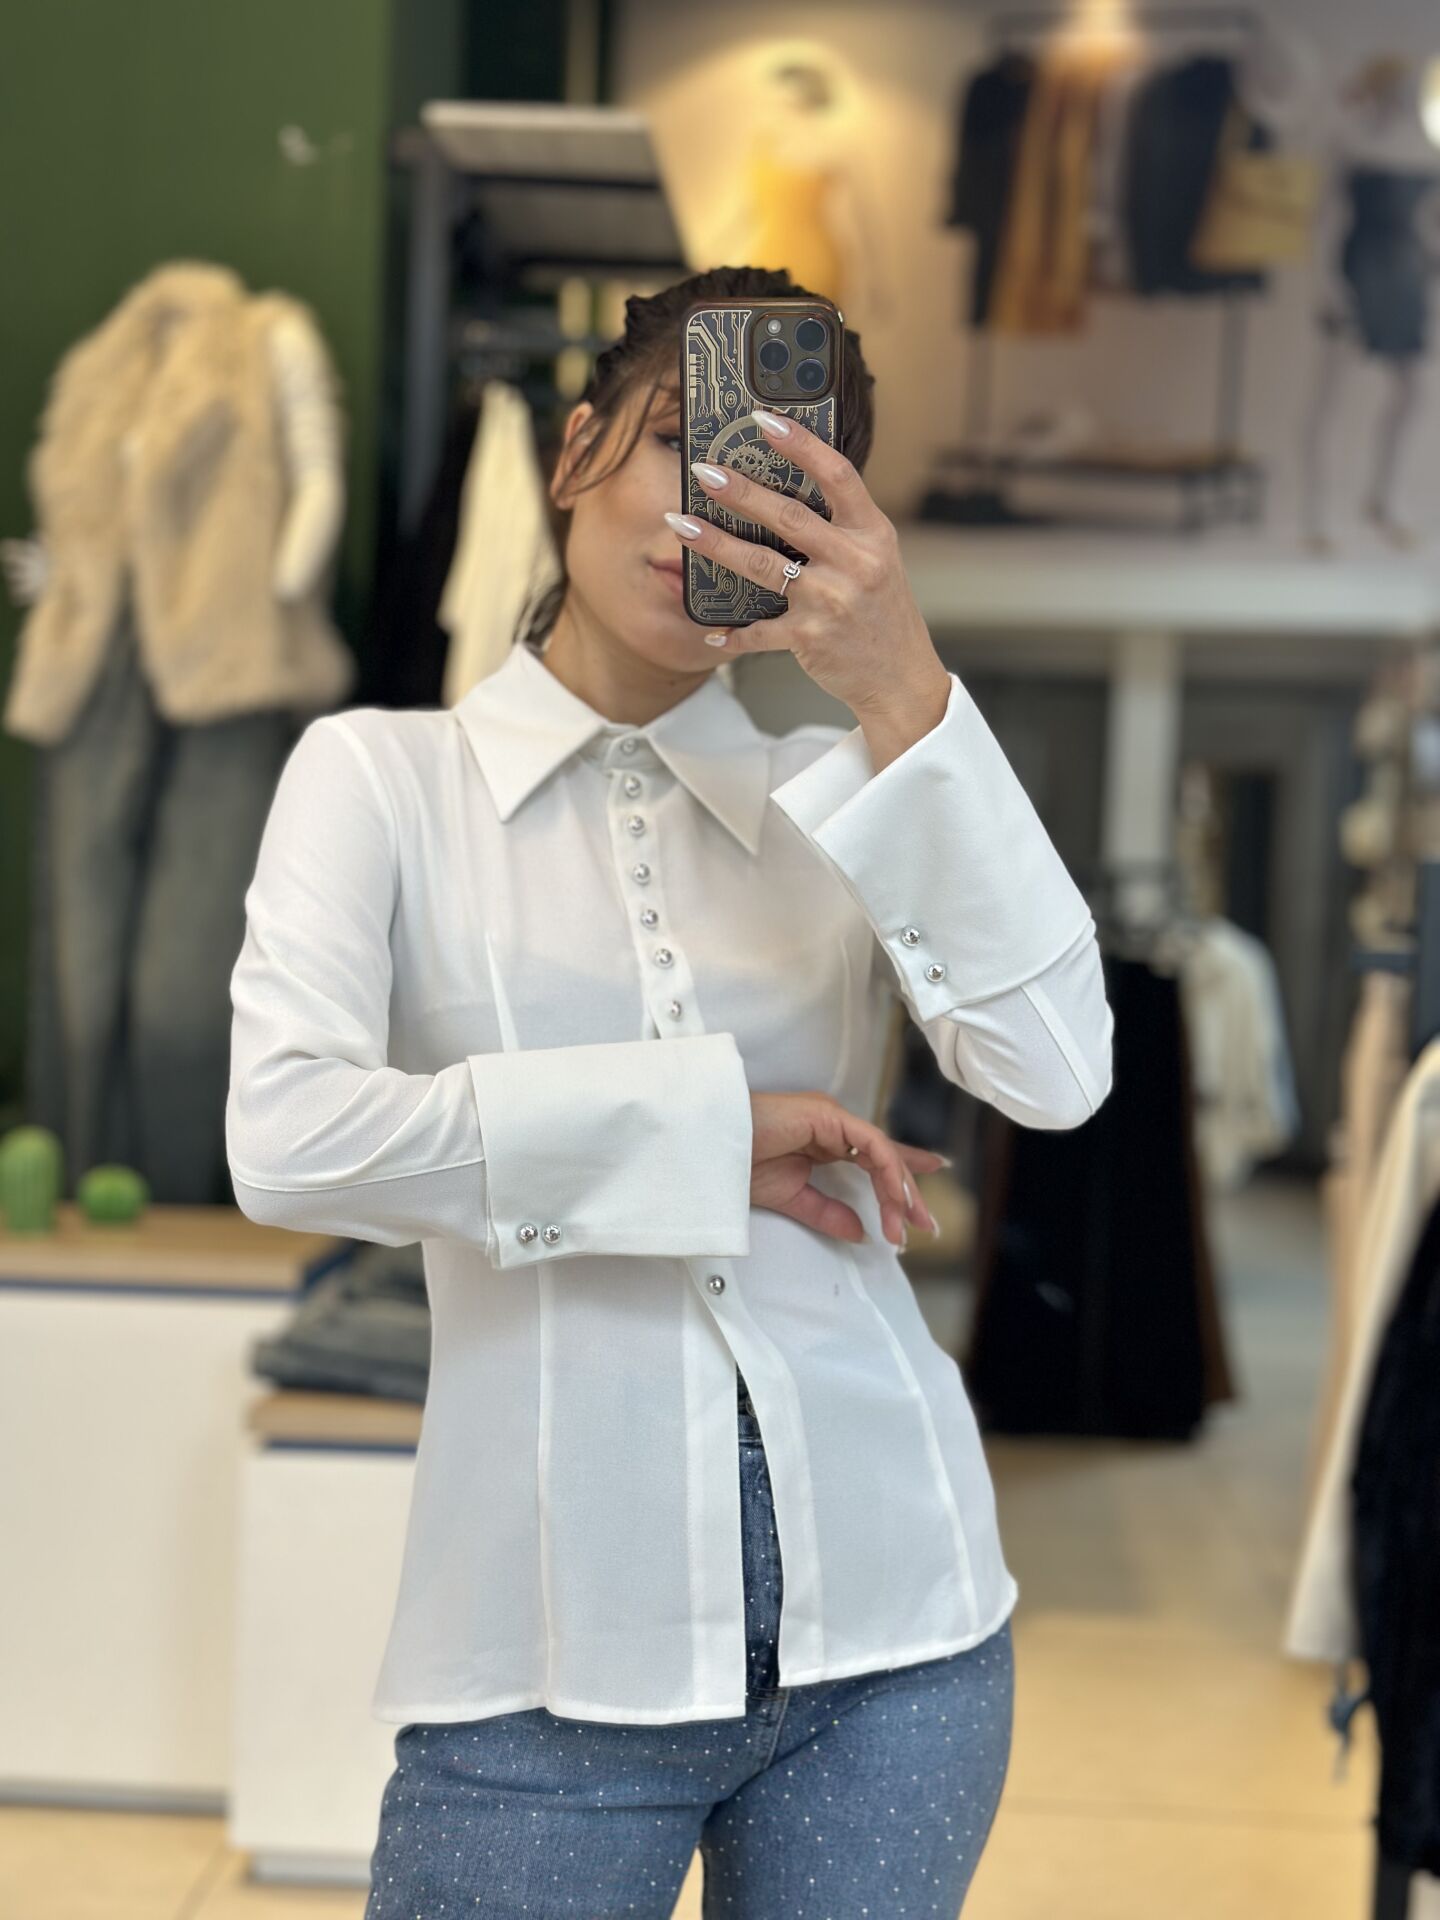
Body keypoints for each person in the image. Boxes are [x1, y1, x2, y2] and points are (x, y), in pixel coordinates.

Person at [226, 264, 1114, 1916]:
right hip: (548, 1658)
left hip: (900, 1632)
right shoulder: (380, 781)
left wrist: (904, 691)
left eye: (775, 480)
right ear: (574, 455)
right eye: (672, 448)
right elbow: (287, 1139)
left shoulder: (841, 795)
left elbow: (1058, 1074)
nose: (705, 506)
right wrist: (701, 1135)